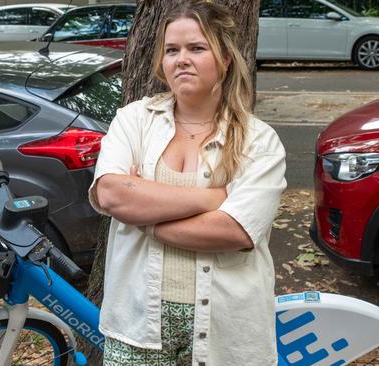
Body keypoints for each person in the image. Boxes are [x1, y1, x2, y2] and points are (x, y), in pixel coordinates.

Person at [89, 1, 286, 365]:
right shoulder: (134, 120)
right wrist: (216, 198)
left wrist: (144, 217)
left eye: (197, 48)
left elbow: (237, 231)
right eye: (172, 50)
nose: (182, 59)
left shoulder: (259, 141)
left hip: (225, 330)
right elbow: (112, 194)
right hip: (137, 326)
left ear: (225, 58)